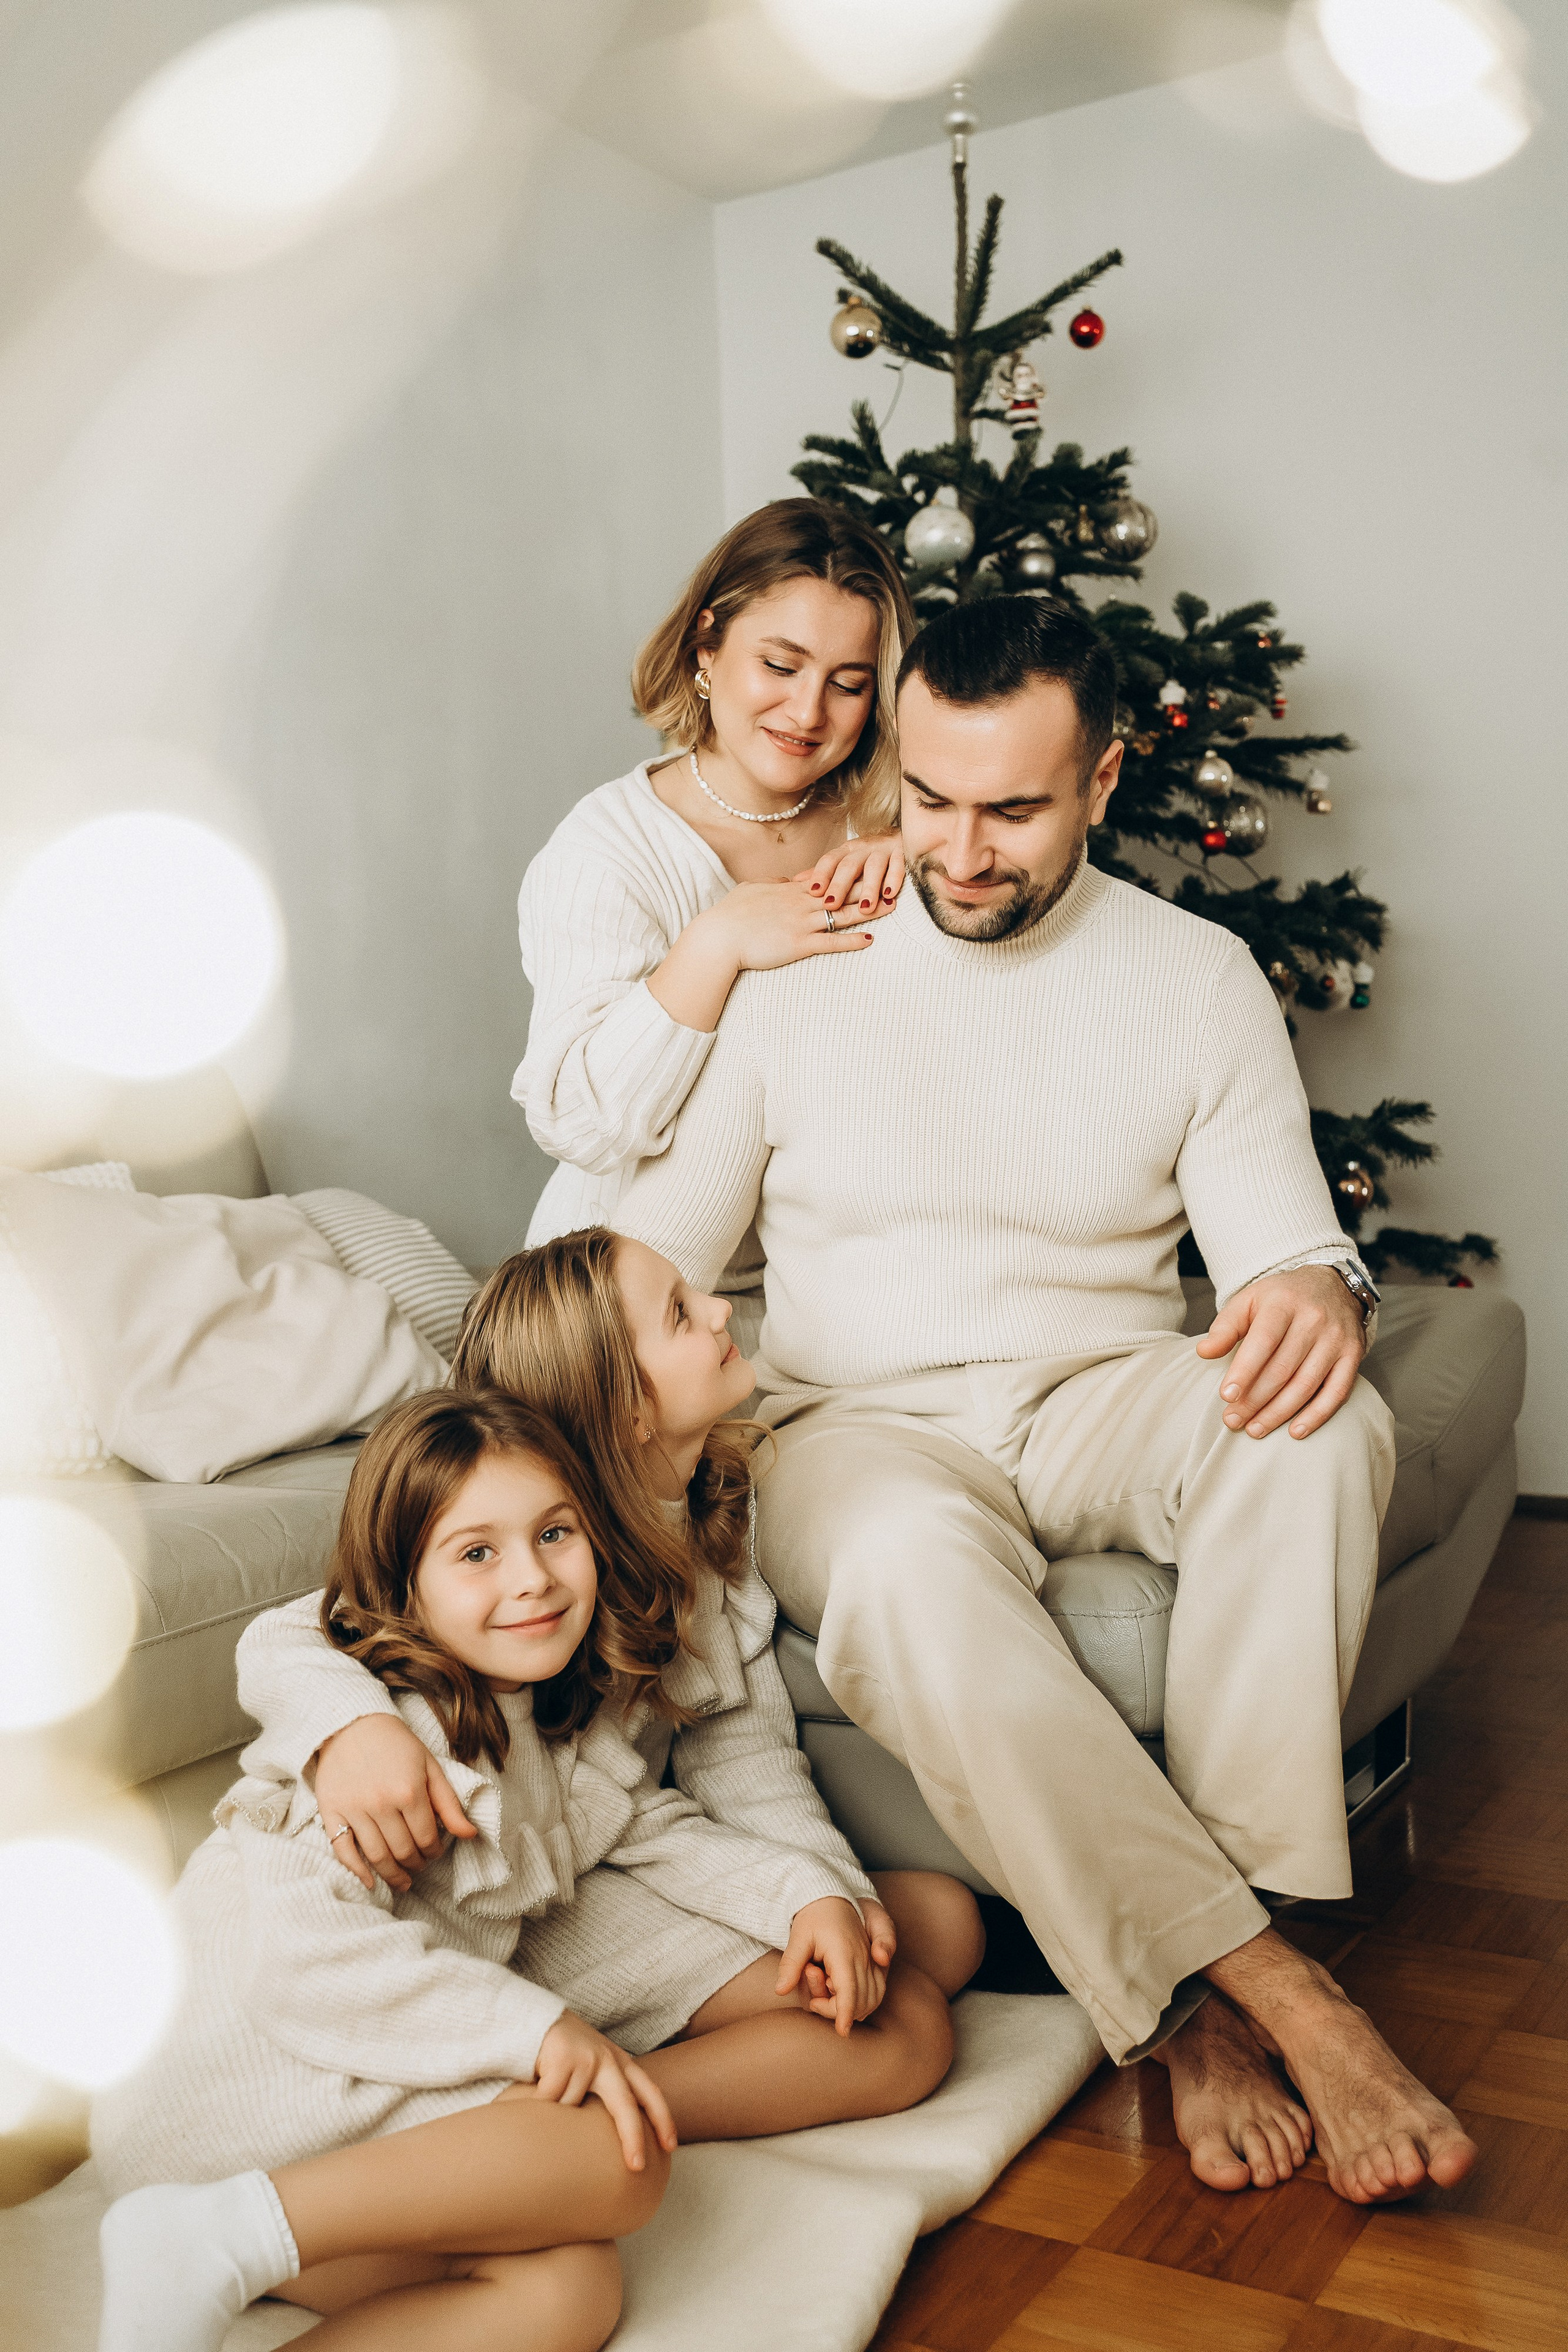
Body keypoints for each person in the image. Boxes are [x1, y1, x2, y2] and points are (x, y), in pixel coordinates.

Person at [610, 594, 1479, 2209]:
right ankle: (1266, 1990)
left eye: (1012, 808)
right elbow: (640, 1254)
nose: (960, 850)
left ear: (1103, 782)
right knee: (897, 1574)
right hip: (850, 1421)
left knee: (1316, 1429)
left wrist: (1308, 1282)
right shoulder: (804, 959)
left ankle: (1206, 1964)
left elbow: (1283, 1239)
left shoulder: (1196, 975)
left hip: (1099, 1388)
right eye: (928, 798)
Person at [93, 1390, 963, 2352]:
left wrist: (806, 1893)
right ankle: (208, 2235)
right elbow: (302, 1967)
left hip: (341, 2094)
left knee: (568, 2292)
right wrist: (535, 2034)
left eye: (556, 1535)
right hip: (239, 2092)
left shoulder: (544, 1710)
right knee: (615, 2161)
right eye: (478, 1554)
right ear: (403, 1585)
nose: (534, 1580)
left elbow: (642, 1823)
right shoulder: (399, 1743)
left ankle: (219, 2244)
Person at [243, 1227, 984, 2019]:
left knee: (938, 1926)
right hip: (549, 1878)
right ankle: (572, 2102)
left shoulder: (707, 1523)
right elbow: (292, 1631)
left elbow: (739, 1754)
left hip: (635, 1846)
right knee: (902, 2024)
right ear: (628, 1407)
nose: (720, 1311)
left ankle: (626, 2061)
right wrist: (350, 1727)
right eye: (678, 1313)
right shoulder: (545, 1551)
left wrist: (825, 1889)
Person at [514, 497, 914, 1352]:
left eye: (847, 683)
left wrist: (922, 853)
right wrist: (715, 944)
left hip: (834, 1294)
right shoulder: (605, 851)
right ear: (706, 646)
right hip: (636, 1310)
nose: (809, 713)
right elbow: (580, 1126)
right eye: (780, 664)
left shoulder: (893, 823)